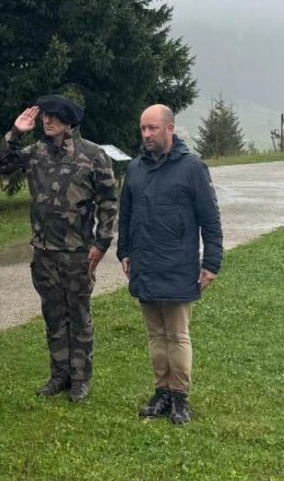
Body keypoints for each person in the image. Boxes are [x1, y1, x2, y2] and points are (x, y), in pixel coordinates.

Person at [0, 95, 117, 402]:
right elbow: (3, 164)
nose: (47, 121)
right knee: (52, 314)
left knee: (78, 315)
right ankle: (59, 375)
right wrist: (15, 132)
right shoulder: (36, 152)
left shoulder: (92, 155)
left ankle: (80, 379)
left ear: (69, 122)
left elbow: (108, 201)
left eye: (54, 117)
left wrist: (101, 243)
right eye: (45, 116)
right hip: (44, 251)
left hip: (77, 251)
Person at [117, 104, 222, 425]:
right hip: (145, 265)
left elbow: (210, 219)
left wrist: (211, 262)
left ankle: (179, 397)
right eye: (143, 129)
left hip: (178, 265)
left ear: (169, 129)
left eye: (152, 128)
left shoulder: (192, 168)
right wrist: (124, 251)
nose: (146, 135)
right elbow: (126, 216)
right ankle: (161, 392)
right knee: (155, 335)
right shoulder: (134, 169)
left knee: (177, 335)